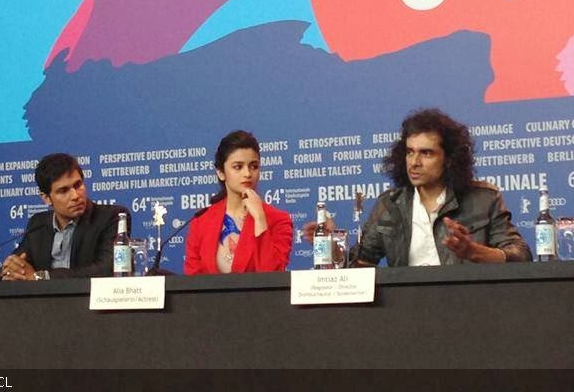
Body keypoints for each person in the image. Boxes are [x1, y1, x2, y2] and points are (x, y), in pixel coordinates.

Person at [306, 109, 532, 266]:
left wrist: (474, 252)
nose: (414, 162)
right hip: (408, 314)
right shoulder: (390, 204)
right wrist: (333, 246)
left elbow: (521, 255)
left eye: (426, 153)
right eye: (409, 152)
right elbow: (361, 264)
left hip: (470, 308)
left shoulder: (484, 198)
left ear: (450, 158)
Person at [0, 153, 130, 280]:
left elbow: (108, 269)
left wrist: (41, 277)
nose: (75, 196)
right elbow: (9, 269)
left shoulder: (111, 217)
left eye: (78, 185)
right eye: (63, 190)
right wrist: (10, 271)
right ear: (47, 199)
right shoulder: (38, 223)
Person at [184, 130, 293, 274]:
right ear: (221, 173)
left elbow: (273, 276)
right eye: (238, 167)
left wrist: (260, 218)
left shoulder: (278, 220)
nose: (247, 173)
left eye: (254, 166)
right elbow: (192, 282)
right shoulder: (201, 222)